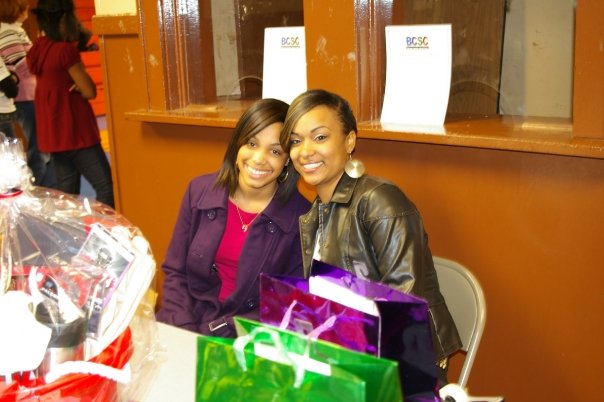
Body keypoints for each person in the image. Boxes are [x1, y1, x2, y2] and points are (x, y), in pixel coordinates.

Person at [281, 88, 462, 384]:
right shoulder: (314, 214)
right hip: (344, 355)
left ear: (350, 140)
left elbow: (404, 304)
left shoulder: (379, 201)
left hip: (399, 363)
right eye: (296, 141)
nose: (305, 151)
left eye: (320, 137)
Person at [156, 98, 311, 337]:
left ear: (287, 159)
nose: (259, 158)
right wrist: (185, 329)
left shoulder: (301, 217)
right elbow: (176, 272)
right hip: (186, 321)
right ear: (238, 144)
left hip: (247, 333)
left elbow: (287, 299)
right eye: (251, 143)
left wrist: (221, 331)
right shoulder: (199, 191)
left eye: (274, 151)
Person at [26, 0, 114, 207]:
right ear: (66, 17)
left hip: (55, 134)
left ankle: (68, 228)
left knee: (67, 194)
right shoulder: (64, 51)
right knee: (105, 186)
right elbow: (89, 90)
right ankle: (105, 227)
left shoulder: (39, 48)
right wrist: (79, 84)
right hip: (75, 132)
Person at [0, 0, 55, 187]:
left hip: (30, 93)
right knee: (37, 146)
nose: (27, 11)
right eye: (23, 8)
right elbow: (20, 65)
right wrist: (42, 56)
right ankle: (37, 187)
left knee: (39, 144)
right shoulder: (8, 32)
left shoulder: (15, 30)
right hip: (24, 95)